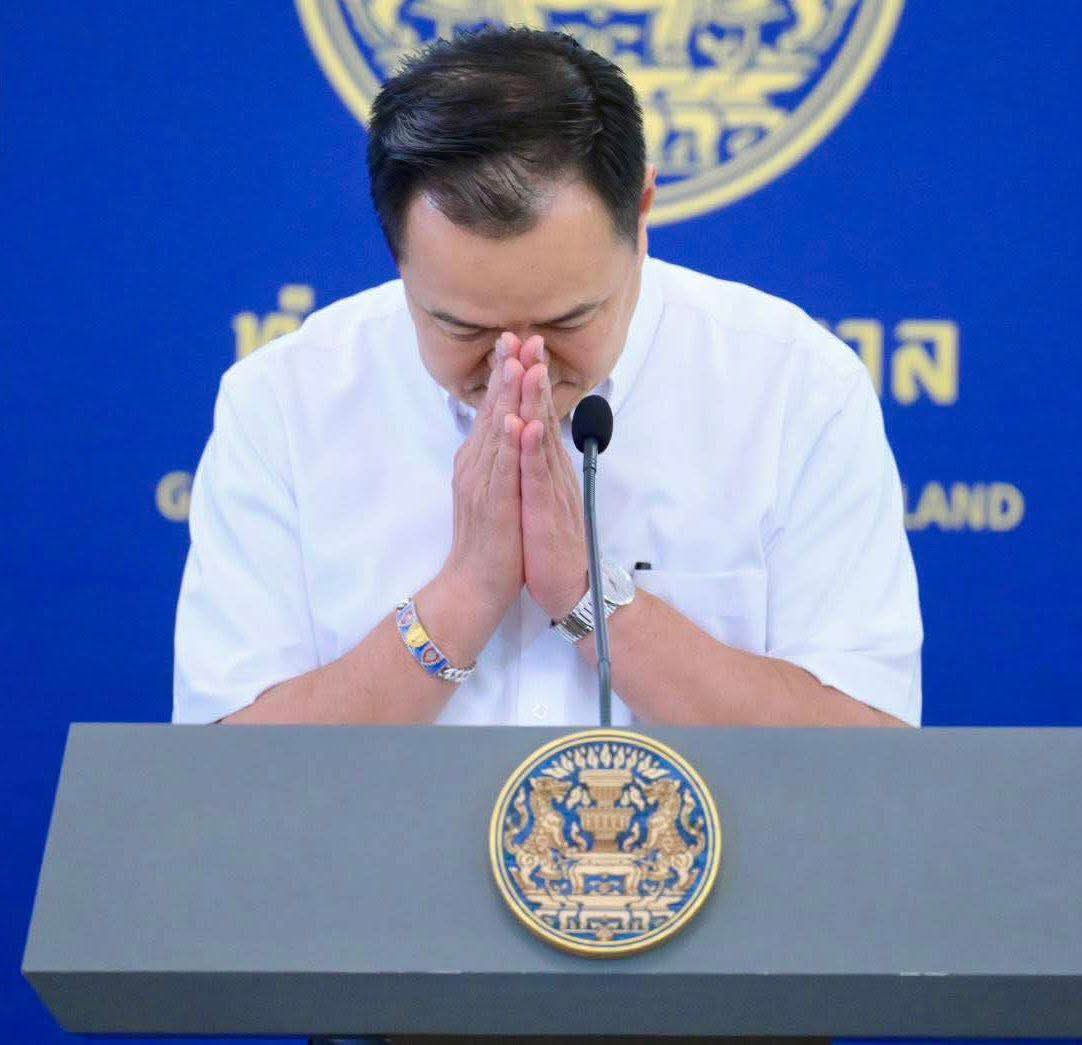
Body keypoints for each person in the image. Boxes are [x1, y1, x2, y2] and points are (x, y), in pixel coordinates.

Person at [173, 26, 922, 729]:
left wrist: (589, 594)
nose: (519, 366)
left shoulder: (793, 386)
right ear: (398, 256)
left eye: (568, 321)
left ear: (642, 214)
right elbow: (219, 770)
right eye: (464, 329)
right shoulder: (283, 402)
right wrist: (464, 596)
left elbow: (871, 746)